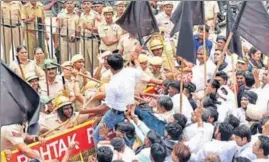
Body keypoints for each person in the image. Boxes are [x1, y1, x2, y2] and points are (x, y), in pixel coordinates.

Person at [80, 54, 142, 144]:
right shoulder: (130, 71)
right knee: (125, 137)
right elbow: (140, 72)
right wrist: (135, 60)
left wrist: (85, 111)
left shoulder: (112, 84)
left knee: (96, 135)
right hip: (129, 109)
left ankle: (102, 155)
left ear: (109, 66)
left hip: (116, 114)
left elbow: (106, 107)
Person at [80, 0, 99, 71]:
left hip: (92, 39)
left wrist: (88, 27)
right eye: (84, 4)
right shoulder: (82, 14)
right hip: (83, 39)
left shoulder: (95, 15)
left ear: (91, 5)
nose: (86, 5)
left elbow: (98, 29)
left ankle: (96, 77)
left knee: (94, 61)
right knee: (85, 61)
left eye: (88, 3)